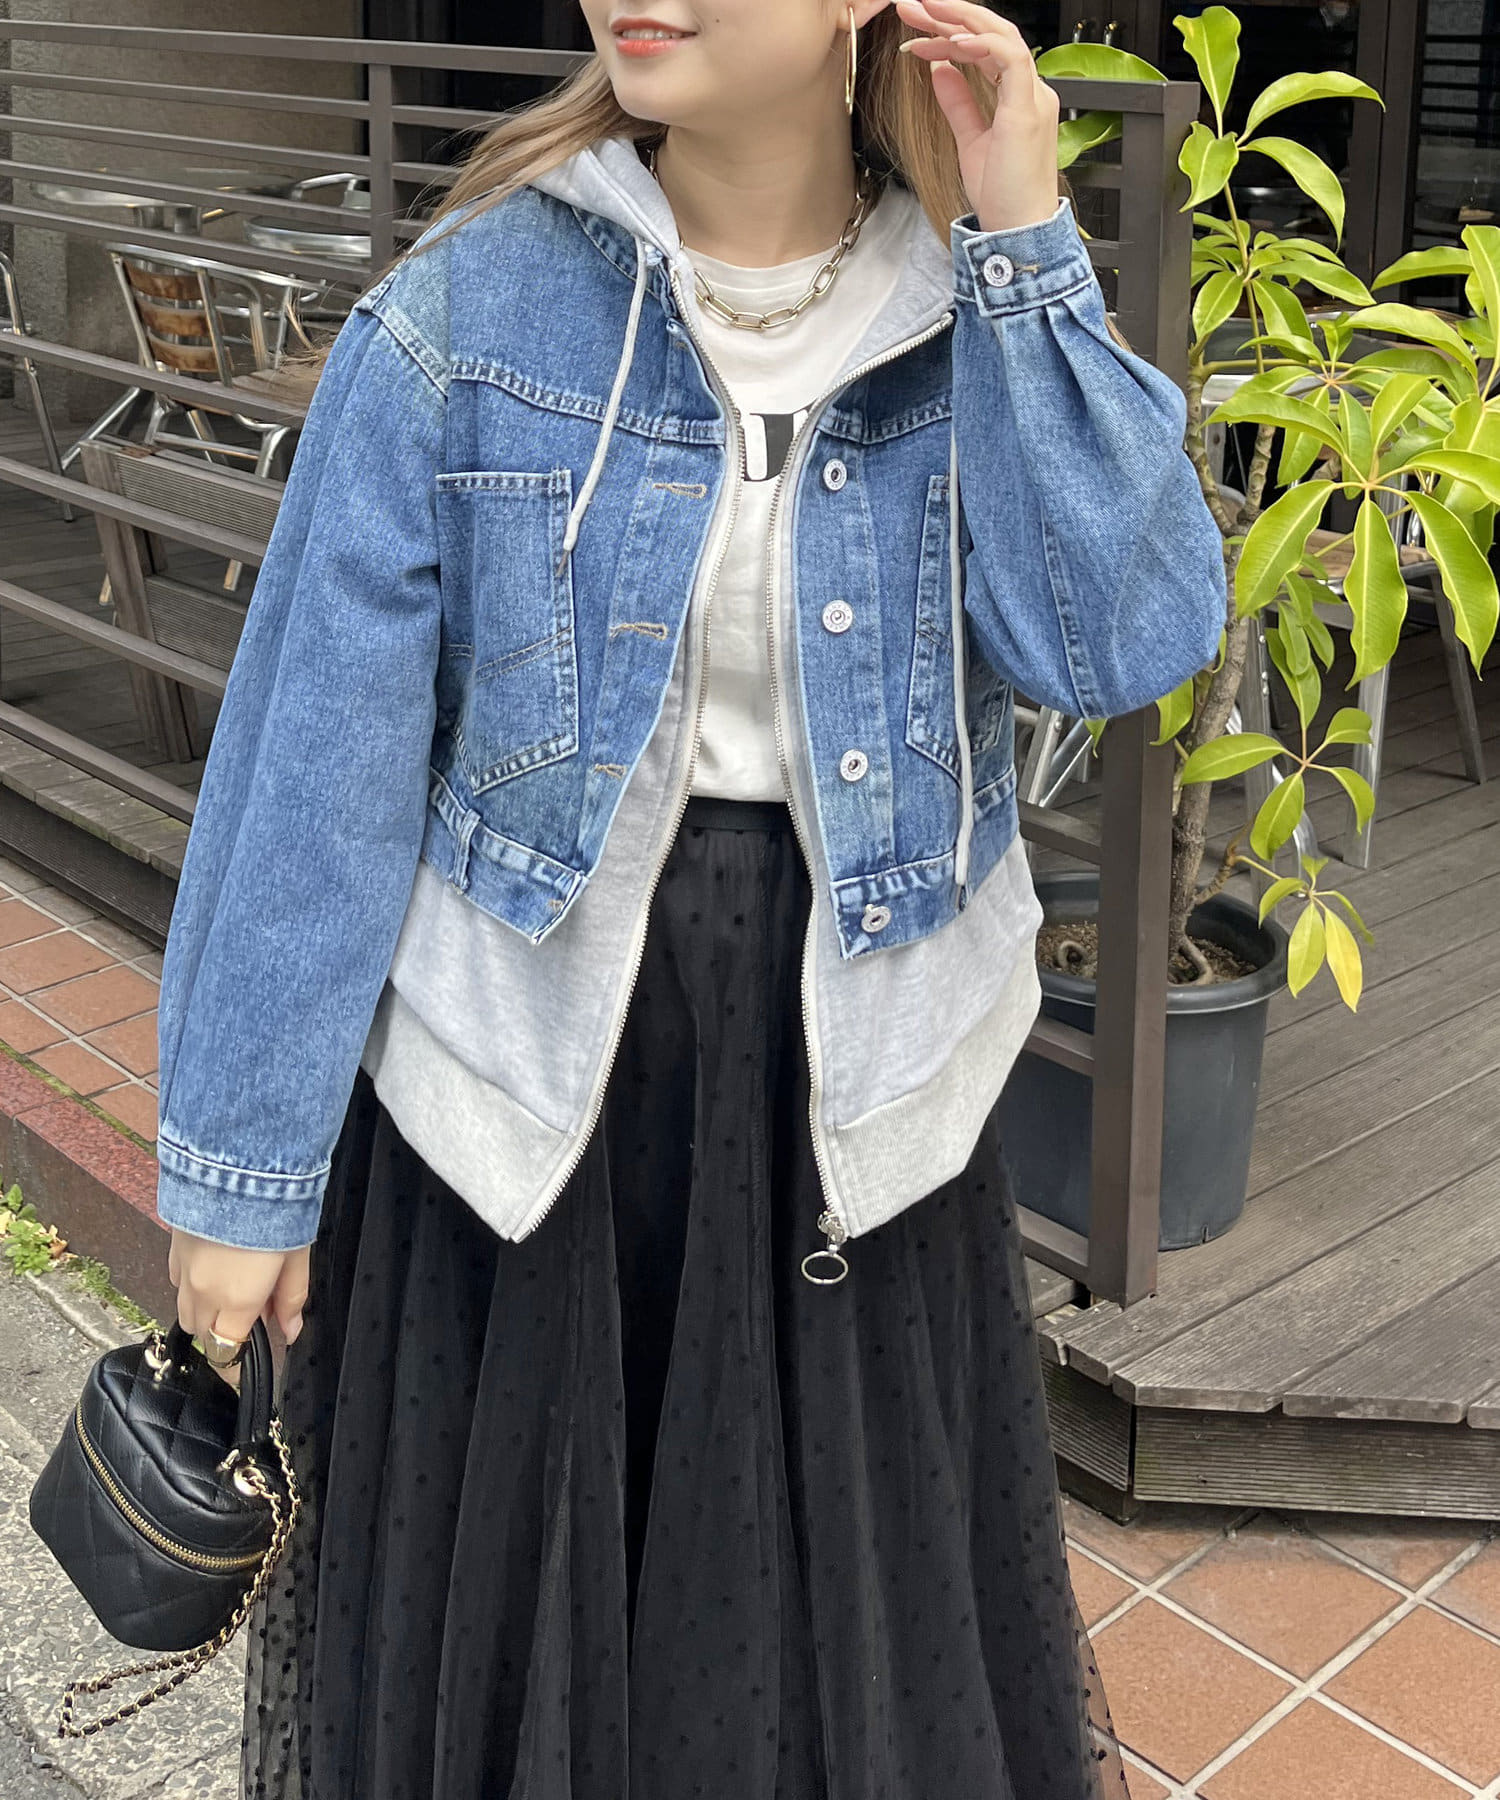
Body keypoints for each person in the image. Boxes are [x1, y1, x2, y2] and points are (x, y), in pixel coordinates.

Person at [159, 0, 1225, 1793]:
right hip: (526, 1106)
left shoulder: (962, 309)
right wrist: (242, 1175)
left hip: (856, 1105)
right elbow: (314, 767)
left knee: (823, 1674)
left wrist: (1028, 239)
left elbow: (1119, 639)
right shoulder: (471, 310)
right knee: (517, 1661)